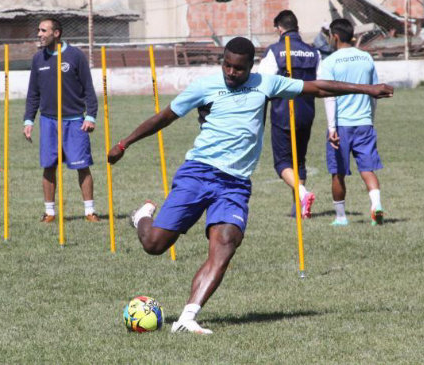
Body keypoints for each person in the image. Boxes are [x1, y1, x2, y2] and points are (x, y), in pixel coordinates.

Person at [107, 37, 393, 334]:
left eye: (238, 68)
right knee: (155, 245)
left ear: (250, 67)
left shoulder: (265, 84)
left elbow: (318, 88)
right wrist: (124, 143)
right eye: (227, 66)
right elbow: (164, 117)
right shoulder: (204, 86)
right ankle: (142, 217)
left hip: (235, 184)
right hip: (198, 172)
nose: (231, 73)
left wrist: (368, 89)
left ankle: (188, 317)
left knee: (226, 244)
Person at [23, 17, 100, 223]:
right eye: (38, 30)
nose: (39, 34)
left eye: (43, 30)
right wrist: (28, 120)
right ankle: (49, 212)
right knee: (49, 166)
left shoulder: (75, 56)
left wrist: (91, 115)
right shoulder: (38, 59)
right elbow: (33, 93)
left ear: (56, 33)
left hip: (75, 121)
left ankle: (89, 211)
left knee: (82, 165)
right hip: (48, 121)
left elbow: (88, 89)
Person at [319, 18, 385, 227]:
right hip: (364, 122)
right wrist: (370, 119)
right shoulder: (366, 58)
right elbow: (375, 92)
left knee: (338, 172)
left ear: (335, 36)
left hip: (341, 125)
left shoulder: (329, 62)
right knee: (367, 169)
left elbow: (329, 96)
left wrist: (331, 128)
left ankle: (340, 217)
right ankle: (376, 205)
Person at [258, 10, 320, 219]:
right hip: (307, 112)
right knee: (299, 161)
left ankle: (302, 193)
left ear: (279, 28)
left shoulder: (275, 51)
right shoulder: (313, 52)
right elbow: (319, 81)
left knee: (282, 163)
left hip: (283, 113)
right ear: (297, 27)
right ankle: (299, 208)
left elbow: (262, 82)